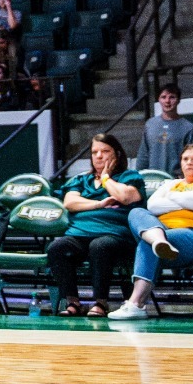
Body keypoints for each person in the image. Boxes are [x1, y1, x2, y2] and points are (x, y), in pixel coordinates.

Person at [111, 143, 193, 320]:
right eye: (185, 159)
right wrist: (185, 200)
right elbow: (152, 205)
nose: (189, 163)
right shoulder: (171, 184)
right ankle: (159, 241)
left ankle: (136, 303)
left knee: (147, 242)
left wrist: (172, 197)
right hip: (166, 234)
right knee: (137, 213)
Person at [48, 134, 140, 317]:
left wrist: (106, 178)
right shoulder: (81, 180)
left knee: (99, 245)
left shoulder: (130, 176)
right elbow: (70, 202)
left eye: (105, 151)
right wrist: (99, 204)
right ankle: (73, 302)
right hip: (80, 234)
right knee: (57, 247)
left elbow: (124, 197)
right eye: (94, 152)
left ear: (117, 155)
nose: (99, 156)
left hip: (115, 236)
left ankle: (101, 303)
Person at [138, 85, 193, 177]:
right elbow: (144, 154)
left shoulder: (189, 128)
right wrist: (139, 175)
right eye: (163, 97)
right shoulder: (150, 124)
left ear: (178, 100)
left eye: (172, 97)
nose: (167, 101)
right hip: (153, 180)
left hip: (177, 181)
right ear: (158, 100)